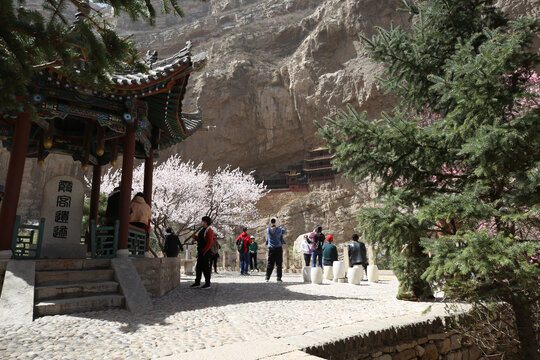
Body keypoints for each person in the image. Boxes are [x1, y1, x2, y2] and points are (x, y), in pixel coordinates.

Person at [190, 216, 215, 289]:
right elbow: (200, 239)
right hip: (201, 251)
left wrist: (204, 251)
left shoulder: (209, 230)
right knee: (198, 267)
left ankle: (207, 284)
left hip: (205, 252)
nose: (201, 222)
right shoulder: (202, 230)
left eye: (202, 221)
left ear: (205, 222)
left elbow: (210, 242)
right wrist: (195, 237)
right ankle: (197, 282)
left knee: (206, 268)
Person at [265, 217, 286, 282]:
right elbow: (283, 231)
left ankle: (267, 277)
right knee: (279, 263)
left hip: (271, 248)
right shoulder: (279, 230)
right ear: (275, 222)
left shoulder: (267, 230)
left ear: (271, 222)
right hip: (278, 248)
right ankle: (278, 278)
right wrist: (278, 224)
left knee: (270, 263)